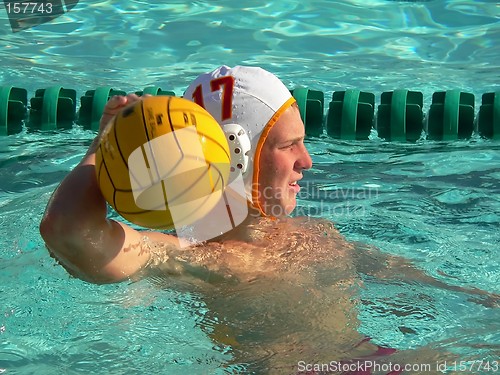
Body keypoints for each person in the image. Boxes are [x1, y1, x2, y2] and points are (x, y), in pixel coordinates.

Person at [40, 66, 496, 374]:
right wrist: (103, 148)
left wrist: (475, 299)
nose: (308, 161)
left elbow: (394, 278)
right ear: (237, 155)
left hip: (367, 360)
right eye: (288, 145)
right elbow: (71, 234)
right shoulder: (203, 258)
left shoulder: (313, 233)